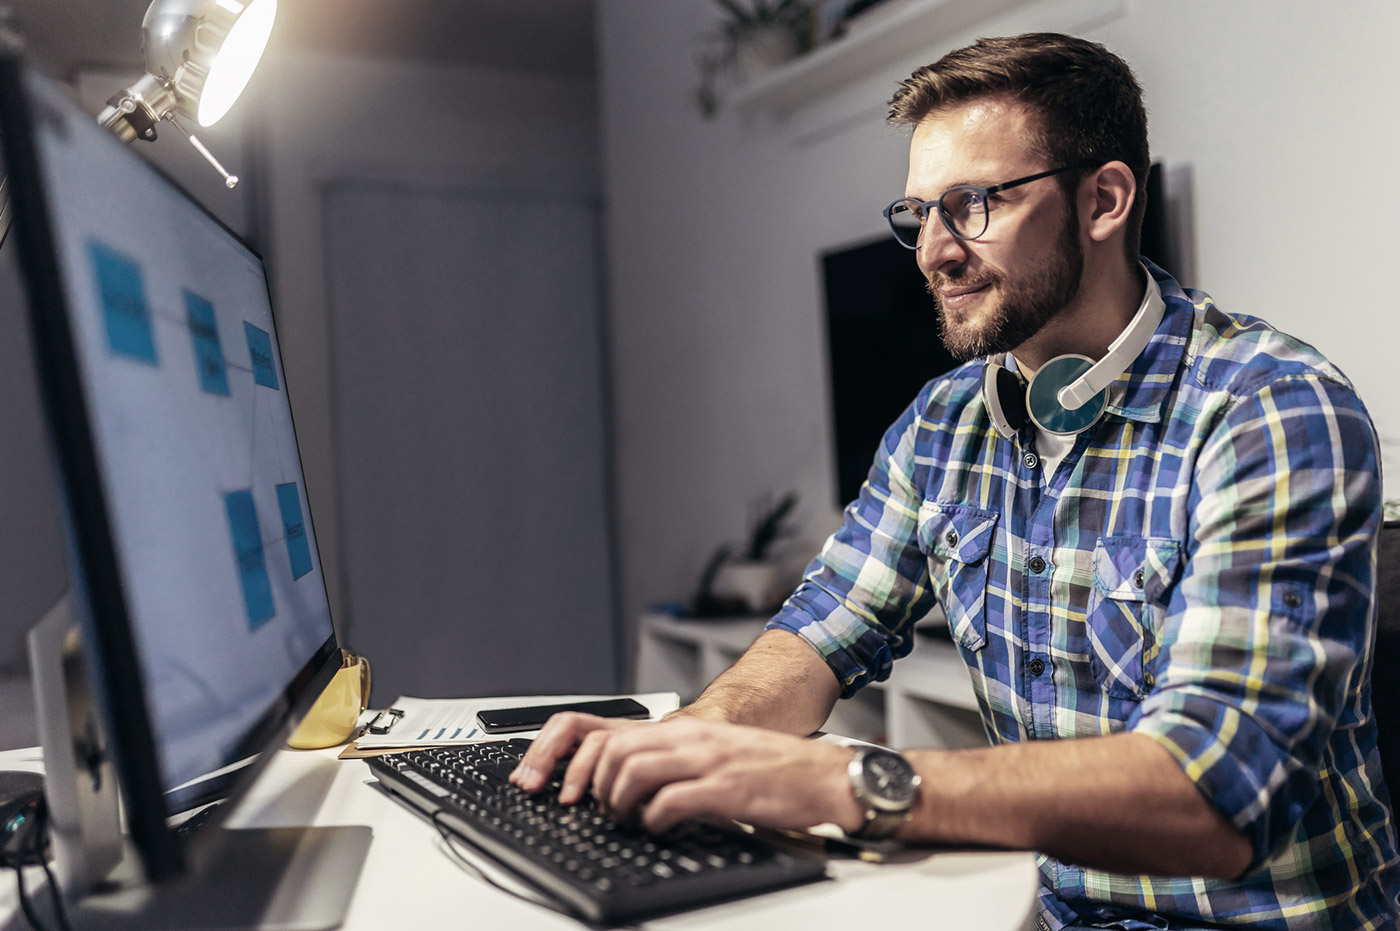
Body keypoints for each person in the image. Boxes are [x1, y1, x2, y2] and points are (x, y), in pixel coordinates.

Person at [512, 33, 1399, 930]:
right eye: (920, 213)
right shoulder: (942, 424)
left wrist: (848, 779)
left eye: (972, 204)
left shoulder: (1271, 409)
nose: (934, 251)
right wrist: (695, 738)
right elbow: (819, 632)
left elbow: (1219, 791)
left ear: (1103, 199)